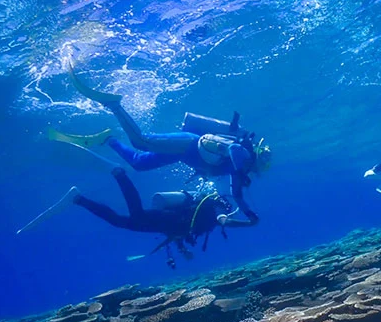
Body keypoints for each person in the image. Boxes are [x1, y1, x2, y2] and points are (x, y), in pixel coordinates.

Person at [61, 65, 270, 225]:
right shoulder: (241, 153)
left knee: (139, 163)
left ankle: (108, 139)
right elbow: (232, 149)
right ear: (257, 159)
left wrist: (250, 215)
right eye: (259, 167)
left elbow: (237, 195)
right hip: (188, 143)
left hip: (181, 154)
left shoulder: (238, 169)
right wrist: (242, 171)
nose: (256, 172)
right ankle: (114, 105)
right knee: (140, 141)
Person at [17, 166, 250, 268]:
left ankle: (79, 199)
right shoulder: (216, 209)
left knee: (121, 222)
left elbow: (184, 228)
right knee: (133, 216)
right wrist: (249, 222)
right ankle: (119, 175)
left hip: (168, 223)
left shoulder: (210, 209)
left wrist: (181, 250)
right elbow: (221, 221)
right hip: (167, 218)